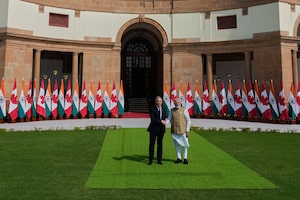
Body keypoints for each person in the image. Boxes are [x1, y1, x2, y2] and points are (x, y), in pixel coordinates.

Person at [167, 97, 191, 164]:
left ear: (180, 102)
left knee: (184, 144)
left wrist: (187, 130)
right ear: (174, 103)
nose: (176, 103)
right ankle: (179, 158)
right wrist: (164, 122)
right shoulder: (171, 110)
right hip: (174, 130)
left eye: (177, 102)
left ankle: (185, 158)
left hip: (183, 130)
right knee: (176, 145)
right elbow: (169, 119)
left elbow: (188, 120)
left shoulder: (184, 110)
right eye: (175, 102)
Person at [147, 96, 167, 165]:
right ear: (155, 102)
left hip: (161, 130)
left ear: (162, 102)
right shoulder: (152, 109)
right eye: (157, 101)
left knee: (160, 145)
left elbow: (165, 120)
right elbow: (153, 119)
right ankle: (150, 160)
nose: (159, 102)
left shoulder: (164, 109)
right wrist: (161, 121)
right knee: (152, 145)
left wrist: (164, 130)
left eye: (160, 101)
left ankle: (159, 160)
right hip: (153, 129)